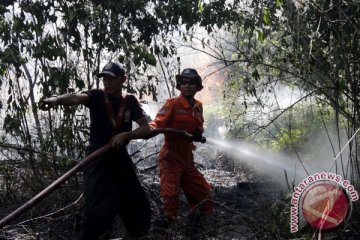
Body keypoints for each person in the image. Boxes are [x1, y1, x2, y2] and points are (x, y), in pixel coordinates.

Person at [39, 62, 151, 240]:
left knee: (138, 207)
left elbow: (146, 129)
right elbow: (76, 98)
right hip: (97, 160)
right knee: (97, 211)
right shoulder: (97, 96)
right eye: (104, 78)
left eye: (111, 78)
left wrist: (126, 135)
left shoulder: (129, 100)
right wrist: (56, 99)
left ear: (123, 79)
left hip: (120, 159)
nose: (107, 82)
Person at [149, 68, 213, 238]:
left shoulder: (198, 106)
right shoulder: (172, 104)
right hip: (171, 159)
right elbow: (157, 123)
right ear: (179, 85)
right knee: (170, 204)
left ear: (197, 86)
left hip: (187, 160)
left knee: (204, 196)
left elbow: (198, 125)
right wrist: (147, 130)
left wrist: (198, 132)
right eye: (183, 82)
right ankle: (156, 236)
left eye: (191, 82)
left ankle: (192, 235)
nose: (187, 85)